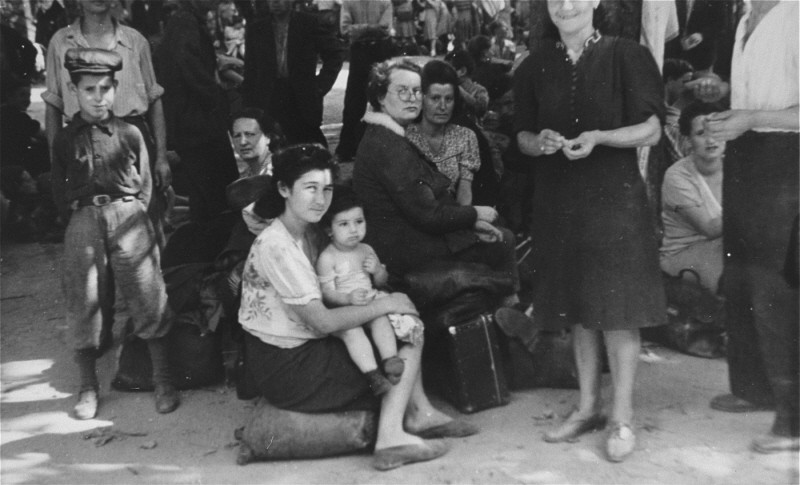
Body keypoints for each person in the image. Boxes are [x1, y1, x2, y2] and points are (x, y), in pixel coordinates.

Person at [238, 143, 477, 471]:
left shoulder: (307, 230)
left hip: (300, 346)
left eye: (326, 189)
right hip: (288, 364)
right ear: (283, 189)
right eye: (310, 189)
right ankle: (392, 437)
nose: (321, 199)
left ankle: (418, 413)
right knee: (402, 337)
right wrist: (387, 304)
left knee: (399, 324)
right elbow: (321, 321)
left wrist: (380, 293)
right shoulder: (278, 247)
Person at [514, 0, 665, 462]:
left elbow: (653, 130)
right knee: (578, 306)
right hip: (559, 200)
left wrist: (600, 137)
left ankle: (621, 415)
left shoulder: (627, 55)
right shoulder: (534, 65)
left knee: (616, 308)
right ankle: (586, 406)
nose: (566, 6)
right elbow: (520, 134)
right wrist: (539, 143)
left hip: (614, 199)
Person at [691, 0, 798, 454]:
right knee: (739, 275)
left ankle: (792, 421)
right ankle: (753, 389)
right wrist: (724, 94)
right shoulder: (743, 16)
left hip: (787, 163)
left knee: (776, 286)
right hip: (747, 156)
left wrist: (751, 118)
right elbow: (760, 93)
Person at [51, 48, 178, 421]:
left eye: (105, 88)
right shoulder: (64, 138)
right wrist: (77, 219)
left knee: (146, 291)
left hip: (128, 214)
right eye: (89, 89)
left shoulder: (130, 132)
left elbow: (147, 185)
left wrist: (137, 214)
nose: (98, 97)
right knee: (84, 296)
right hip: (85, 216)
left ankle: (164, 379)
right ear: (74, 90)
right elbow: (59, 185)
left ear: (115, 88)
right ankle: (89, 385)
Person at [352, 59, 526, 314]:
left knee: (494, 233)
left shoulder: (389, 135)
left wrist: (469, 221)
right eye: (402, 91)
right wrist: (474, 214)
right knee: (502, 241)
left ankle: (502, 314)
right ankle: (508, 317)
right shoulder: (388, 145)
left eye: (416, 91)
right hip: (402, 250)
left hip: (407, 236)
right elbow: (428, 215)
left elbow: (429, 200)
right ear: (380, 96)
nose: (412, 98)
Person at [44, 0, 171, 249]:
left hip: (133, 141)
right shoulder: (60, 42)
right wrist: (57, 161)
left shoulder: (135, 41)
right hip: (82, 143)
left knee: (146, 229)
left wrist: (161, 157)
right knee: (92, 236)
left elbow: (155, 100)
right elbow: (53, 106)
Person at [316, 186, 423, 396]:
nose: (354, 230)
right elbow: (326, 292)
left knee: (380, 321)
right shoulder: (327, 258)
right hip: (344, 311)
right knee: (353, 333)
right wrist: (347, 297)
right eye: (344, 224)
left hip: (369, 303)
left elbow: (381, 282)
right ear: (329, 229)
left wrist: (377, 270)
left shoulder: (366, 249)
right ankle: (373, 374)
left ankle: (390, 360)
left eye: (359, 221)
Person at [155, 0, 240, 223]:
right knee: (215, 194)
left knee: (208, 195)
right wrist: (216, 97)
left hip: (195, 122)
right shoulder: (184, 22)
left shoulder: (186, 20)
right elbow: (186, 64)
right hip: (198, 125)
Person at [242, 0, 345, 146]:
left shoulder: (309, 23)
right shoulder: (257, 29)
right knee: (274, 148)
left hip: (301, 96)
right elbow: (250, 70)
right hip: (270, 97)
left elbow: (335, 53)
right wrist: (249, 104)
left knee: (311, 148)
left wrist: (320, 85)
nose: (275, 2)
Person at [660, 102, 724, 294]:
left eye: (717, 131)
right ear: (688, 140)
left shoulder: (737, 166)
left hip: (719, 249)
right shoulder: (677, 176)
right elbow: (710, 229)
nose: (711, 139)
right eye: (700, 133)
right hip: (684, 256)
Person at [406, 60, 481, 206]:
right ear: (422, 98)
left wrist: (462, 220)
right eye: (435, 98)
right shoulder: (405, 136)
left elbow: (465, 193)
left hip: (450, 215)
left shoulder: (465, 137)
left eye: (448, 99)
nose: (442, 106)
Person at [335, 0, 394, 162]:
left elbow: (385, 29)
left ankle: (387, 147)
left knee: (384, 98)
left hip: (379, 50)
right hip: (360, 53)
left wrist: (360, 29)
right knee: (354, 101)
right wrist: (372, 28)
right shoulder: (349, 2)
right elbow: (345, 30)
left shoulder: (385, 2)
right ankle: (347, 148)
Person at [230, 107, 287, 179]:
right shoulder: (244, 178)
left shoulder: (282, 170)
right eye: (237, 136)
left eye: (249, 134)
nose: (242, 142)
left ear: (268, 138)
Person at [444, 49, 489, 123]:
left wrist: (460, 91)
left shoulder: (479, 90)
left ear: (462, 71)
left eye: (448, 70)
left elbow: (480, 109)